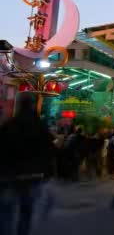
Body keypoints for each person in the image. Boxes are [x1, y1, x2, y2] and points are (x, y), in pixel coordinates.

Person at [0, 95, 55, 235]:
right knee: (26, 211)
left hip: (10, 176)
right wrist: (48, 173)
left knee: (6, 212)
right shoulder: (40, 126)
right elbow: (49, 151)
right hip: (32, 176)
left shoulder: (10, 124)